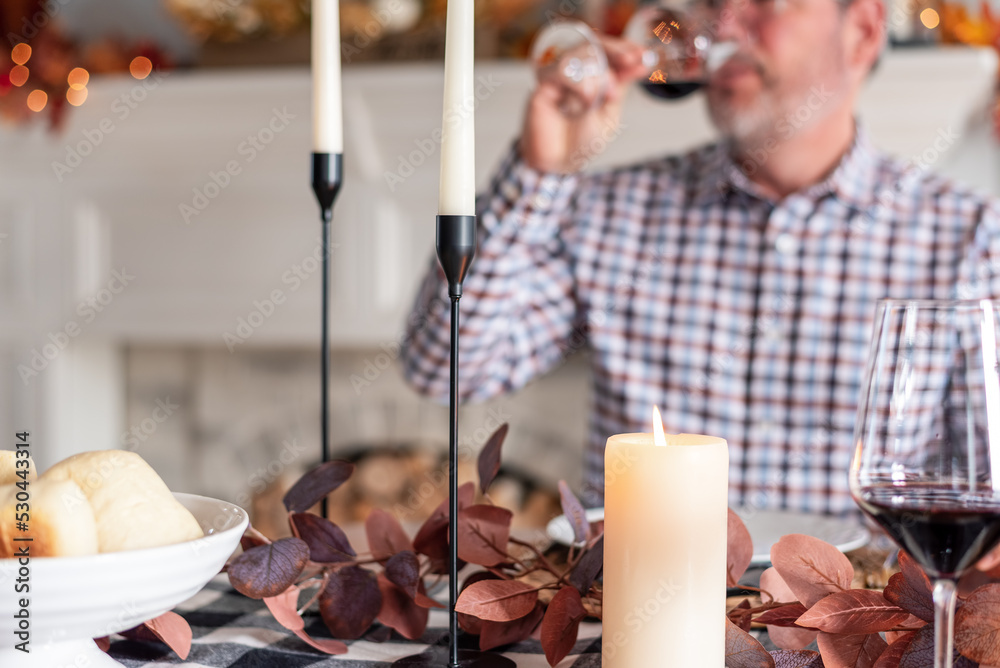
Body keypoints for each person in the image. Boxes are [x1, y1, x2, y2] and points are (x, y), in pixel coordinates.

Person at [400, 0, 1000, 516]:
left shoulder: (968, 237)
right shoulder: (610, 210)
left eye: (764, 2)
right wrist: (541, 171)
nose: (728, 25)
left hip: (852, 636)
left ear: (863, 31)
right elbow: (447, 368)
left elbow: (988, 488)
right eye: (715, 2)